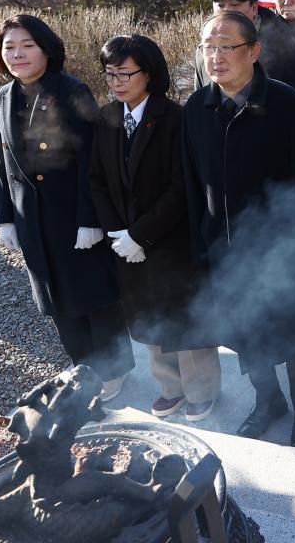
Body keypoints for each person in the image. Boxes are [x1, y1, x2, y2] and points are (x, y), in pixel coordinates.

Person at [182, 11, 295, 448]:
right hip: (224, 251)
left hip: (283, 252)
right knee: (245, 336)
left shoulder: (287, 105)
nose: (216, 56)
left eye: (227, 46)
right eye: (208, 47)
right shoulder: (197, 107)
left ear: (254, 50)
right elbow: (189, 181)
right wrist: (199, 243)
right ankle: (268, 402)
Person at [0, 14, 134, 399]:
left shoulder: (70, 91)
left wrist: (90, 220)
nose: (17, 54)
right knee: (56, 299)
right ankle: (83, 366)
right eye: (9, 46)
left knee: (92, 295)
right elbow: (3, 164)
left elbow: (93, 159)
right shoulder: (3, 96)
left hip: (71, 215)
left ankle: (114, 368)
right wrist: (5, 216)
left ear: (46, 48)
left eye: (27, 45)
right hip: (32, 221)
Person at [89, 34, 222, 422]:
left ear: (149, 73)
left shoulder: (175, 118)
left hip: (171, 239)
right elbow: (96, 179)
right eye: (110, 74)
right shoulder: (106, 118)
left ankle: (201, 390)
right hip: (125, 241)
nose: (116, 82)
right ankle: (170, 388)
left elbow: (182, 187)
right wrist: (119, 234)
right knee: (148, 315)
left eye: (125, 74)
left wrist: (141, 234)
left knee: (185, 317)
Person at [193, 0, 295, 110]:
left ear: (253, 7)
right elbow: (201, 98)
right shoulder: (204, 48)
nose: (226, 12)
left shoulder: (281, 44)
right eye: (220, 6)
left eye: (234, 5)